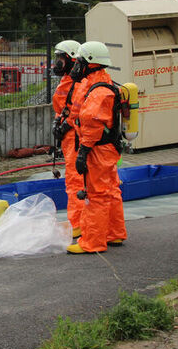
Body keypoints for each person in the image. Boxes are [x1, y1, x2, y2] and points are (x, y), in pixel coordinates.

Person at [67, 41, 127, 254]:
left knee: (96, 195)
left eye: (79, 61)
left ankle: (92, 242)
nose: (76, 66)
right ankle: (114, 233)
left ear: (90, 63)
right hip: (106, 148)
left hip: (97, 150)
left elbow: (91, 122)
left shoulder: (98, 91)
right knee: (110, 190)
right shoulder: (101, 83)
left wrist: (83, 152)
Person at [50, 39, 83, 238]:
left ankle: (78, 224)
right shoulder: (69, 80)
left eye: (60, 58)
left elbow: (77, 109)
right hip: (70, 137)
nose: (57, 62)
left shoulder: (77, 82)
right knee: (74, 180)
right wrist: (58, 122)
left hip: (75, 137)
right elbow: (64, 107)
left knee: (75, 181)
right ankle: (78, 222)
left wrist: (65, 125)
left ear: (70, 59)